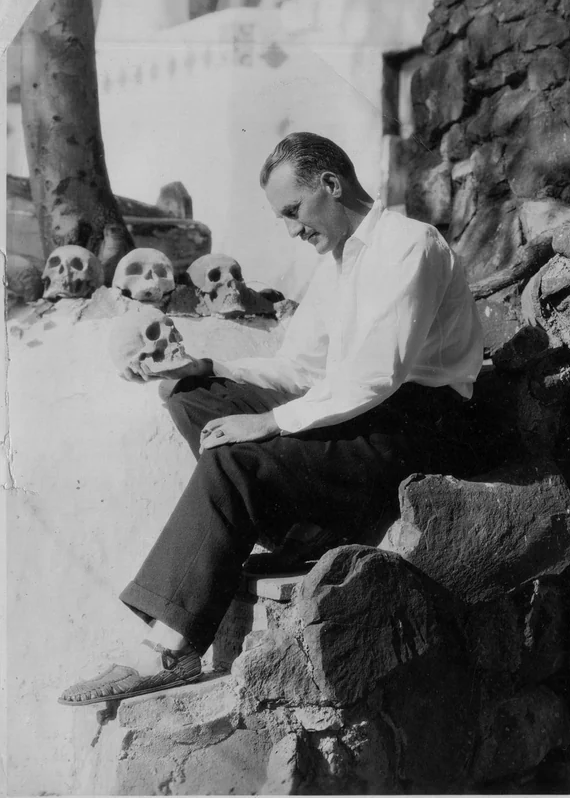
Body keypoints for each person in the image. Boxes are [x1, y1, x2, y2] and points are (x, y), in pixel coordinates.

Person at [59, 132, 485, 705]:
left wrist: (269, 424)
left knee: (235, 460)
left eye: (293, 211)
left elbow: (376, 376)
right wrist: (204, 364)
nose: (291, 229)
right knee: (193, 394)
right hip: (359, 418)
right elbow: (298, 366)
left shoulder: (408, 246)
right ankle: (301, 532)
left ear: (331, 185)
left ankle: (171, 645)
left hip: (417, 427)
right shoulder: (336, 261)